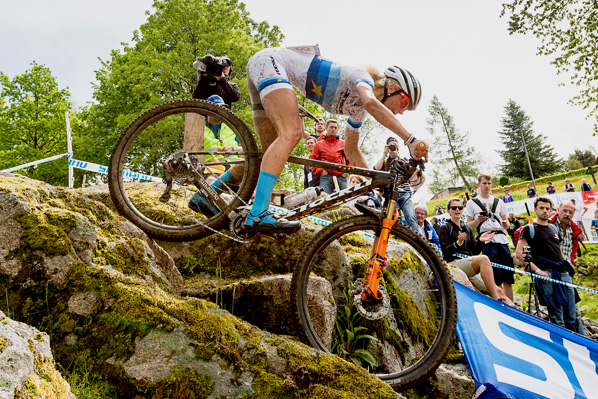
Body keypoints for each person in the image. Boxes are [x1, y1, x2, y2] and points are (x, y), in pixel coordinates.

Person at [191, 46, 428, 235]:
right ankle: (258, 213)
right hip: (272, 63)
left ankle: (207, 193)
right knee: (291, 134)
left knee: (268, 153)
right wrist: (410, 139)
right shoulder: (363, 78)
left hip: (266, 67)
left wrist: (378, 182)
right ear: (393, 87)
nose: (403, 111)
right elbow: (372, 103)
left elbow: (352, 150)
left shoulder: (359, 111)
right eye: (405, 103)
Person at [516, 197, 577, 332]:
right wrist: (538, 272)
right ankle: (559, 346)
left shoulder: (554, 228)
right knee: (556, 316)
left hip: (562, 273)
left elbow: (558, 249)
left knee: (571, 314)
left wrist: (565, 265)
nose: (545, 211)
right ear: (535, 210)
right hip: (546, 275)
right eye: (541, 208)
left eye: (547, 208)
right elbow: (520, 254)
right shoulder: (529, 229)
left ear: (551, 210)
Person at [439, 198, 513, 305]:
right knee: (484, 259)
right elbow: (445, 251)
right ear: (448, 211)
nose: (457, 210)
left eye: (460, 207)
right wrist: (458, 243)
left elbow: (474, 251)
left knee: (499, 290)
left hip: (469, 262)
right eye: (454, 208)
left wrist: (481, 240)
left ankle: (515, 310)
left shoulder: (467, 228)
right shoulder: (445, 227)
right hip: (453, 263)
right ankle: (496, 298)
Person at [466, 174, 515, 301]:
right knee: (495, 275)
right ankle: (500, 302)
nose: (487, 186)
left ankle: (512, 305)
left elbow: (506, 222)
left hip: (502, 239)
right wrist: (478, 220)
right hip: (487, 240)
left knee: (508, 275)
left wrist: (506, 224)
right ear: (479, 184)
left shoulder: (498, 201)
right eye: (484, 183)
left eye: (489, 183)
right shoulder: (472, 203)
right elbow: (468, 226)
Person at [549, 200, 586, 335]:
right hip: (551, 270)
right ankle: (562, 337)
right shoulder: (549, 225)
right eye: (565, 210)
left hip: (567, 270)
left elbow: (572, 248)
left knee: (573, 308)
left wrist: (570, 260)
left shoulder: (573, 228)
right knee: (558, 309)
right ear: (558, 210)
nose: (567, 214)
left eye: (571, 212)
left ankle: (580, 337)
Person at [373, 137, 418, 229]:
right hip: (391, 194)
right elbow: (376, 169)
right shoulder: (385, 162)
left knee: (411, 217)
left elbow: (410, 170)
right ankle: (398, 238)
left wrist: (396, 155)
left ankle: (417, 240)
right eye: (391, 146)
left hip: (405, 193)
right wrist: (384, 154)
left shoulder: (403, 159)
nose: (393, 148)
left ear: (398, 147)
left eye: (395, 146)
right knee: (396, 219)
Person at [310, 119, 350, 194]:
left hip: (341, 175)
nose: (333, 129)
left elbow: (350, 158)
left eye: (335, 127)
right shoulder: (318, 144)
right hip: (325, 175)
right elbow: (313, 160)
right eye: (331, 127)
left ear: (337, 129)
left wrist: (347, 172)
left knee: (346, 197)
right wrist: (320, 171)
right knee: (326, 198)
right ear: (326, 128)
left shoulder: (343, 143)